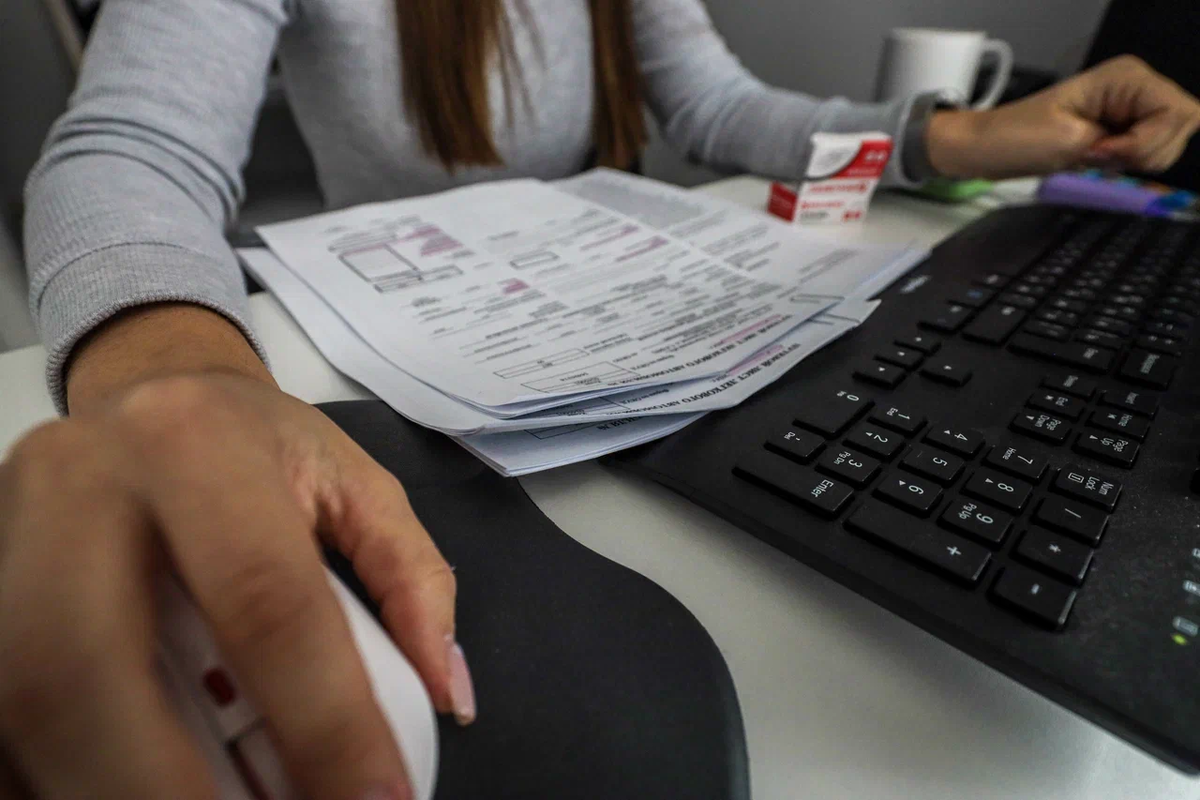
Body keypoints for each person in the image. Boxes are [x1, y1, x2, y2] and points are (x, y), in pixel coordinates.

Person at [3, 1, 1199, 797]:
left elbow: (725, 109)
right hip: (413, 363)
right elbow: (133, 145)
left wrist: (978, 135)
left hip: (614, 350)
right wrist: (182, 374)